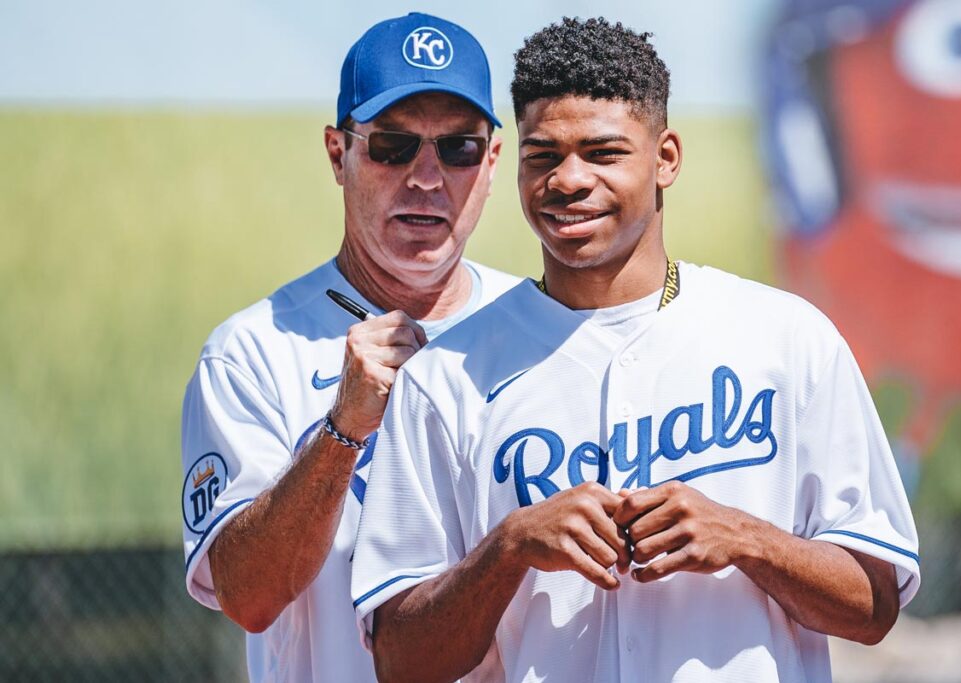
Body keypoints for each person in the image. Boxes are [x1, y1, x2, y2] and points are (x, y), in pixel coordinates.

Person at [350, 17, 920, 683]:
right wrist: (508, 547)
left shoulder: (787, 339)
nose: (568, 179)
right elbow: (401, 659)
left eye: (603, 152)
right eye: (543, 155)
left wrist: (744, 537)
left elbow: (874, 604)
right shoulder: (446, 377)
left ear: (666, 157)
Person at [179, 12, 519, 682]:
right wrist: (343, 429)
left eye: (458, 149)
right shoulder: (254, 350)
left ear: (492, 162)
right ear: (339, 153)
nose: (427, 177)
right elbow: (248, 597)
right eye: (393, 146)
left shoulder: (541, 328)